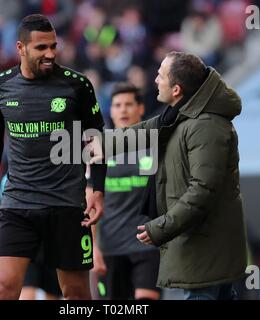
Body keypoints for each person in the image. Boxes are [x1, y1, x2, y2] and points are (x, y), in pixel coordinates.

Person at [93, 51, 248, 300]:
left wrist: (160, 228)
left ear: (176, 89)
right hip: (198, 249)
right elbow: (142, 132)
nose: (155, 80)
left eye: (160, 75)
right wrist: (92, 144)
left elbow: (202, 191)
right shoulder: (178, 117)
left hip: (205, 251)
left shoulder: (205, 125)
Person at [0, 14, 106, 300]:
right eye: (41, 48)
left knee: (75, 293)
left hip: (67, 206)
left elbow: (95, 137)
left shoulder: (77, 86)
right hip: (18, 203)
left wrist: (97, 189)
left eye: (53, 47)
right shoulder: (0, 87)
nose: (50, 54)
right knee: (5, 287)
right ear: (20, 48)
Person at [91, 83, 160, 300]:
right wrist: (94, 248)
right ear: (110, 110)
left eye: (129, 104)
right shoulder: (99, 148)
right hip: (110, 247)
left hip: (148, 245)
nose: (123, 110)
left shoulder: (154, 145)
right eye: (117, 105)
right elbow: (88, 201)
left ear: (140, 108)